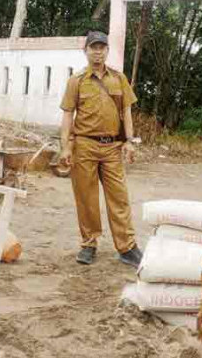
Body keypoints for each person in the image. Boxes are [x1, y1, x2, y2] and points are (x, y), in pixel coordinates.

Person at [58, 31, 143, 268]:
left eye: (102, 47)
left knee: (119, 197)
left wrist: (129, 141)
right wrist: (65, 147)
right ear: (85, 51)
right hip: (84, 145)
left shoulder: (118, 79)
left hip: (112, 147)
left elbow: (126, 111)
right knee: (86, 197)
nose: (98, 51)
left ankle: (127, 247)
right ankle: (89, 244)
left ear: (107, 51)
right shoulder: (76, 81)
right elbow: (67, 115)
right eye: (93, 47)